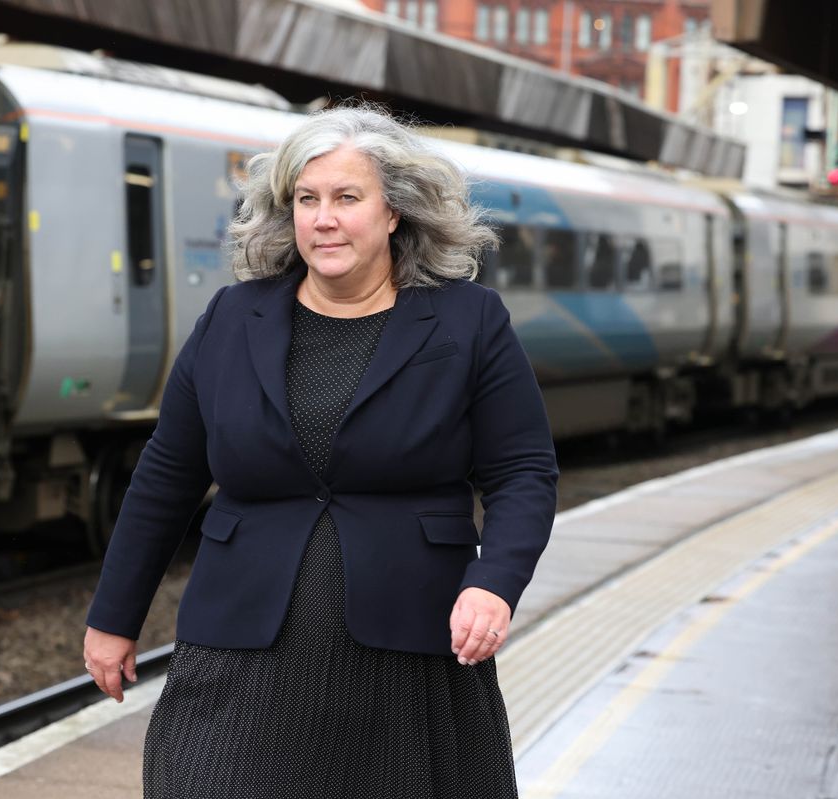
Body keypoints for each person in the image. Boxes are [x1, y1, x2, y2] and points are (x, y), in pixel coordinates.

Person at [83, 104, 558, 798]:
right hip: (238, 650)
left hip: (407, 655)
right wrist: (113, 616)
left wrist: (495, 582)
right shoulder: (231, 318)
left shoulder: (468, 321)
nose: (323, 218)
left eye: (346, 198)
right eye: (307, 199)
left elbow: (522, 471)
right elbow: (167, 474)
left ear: (394, 212)